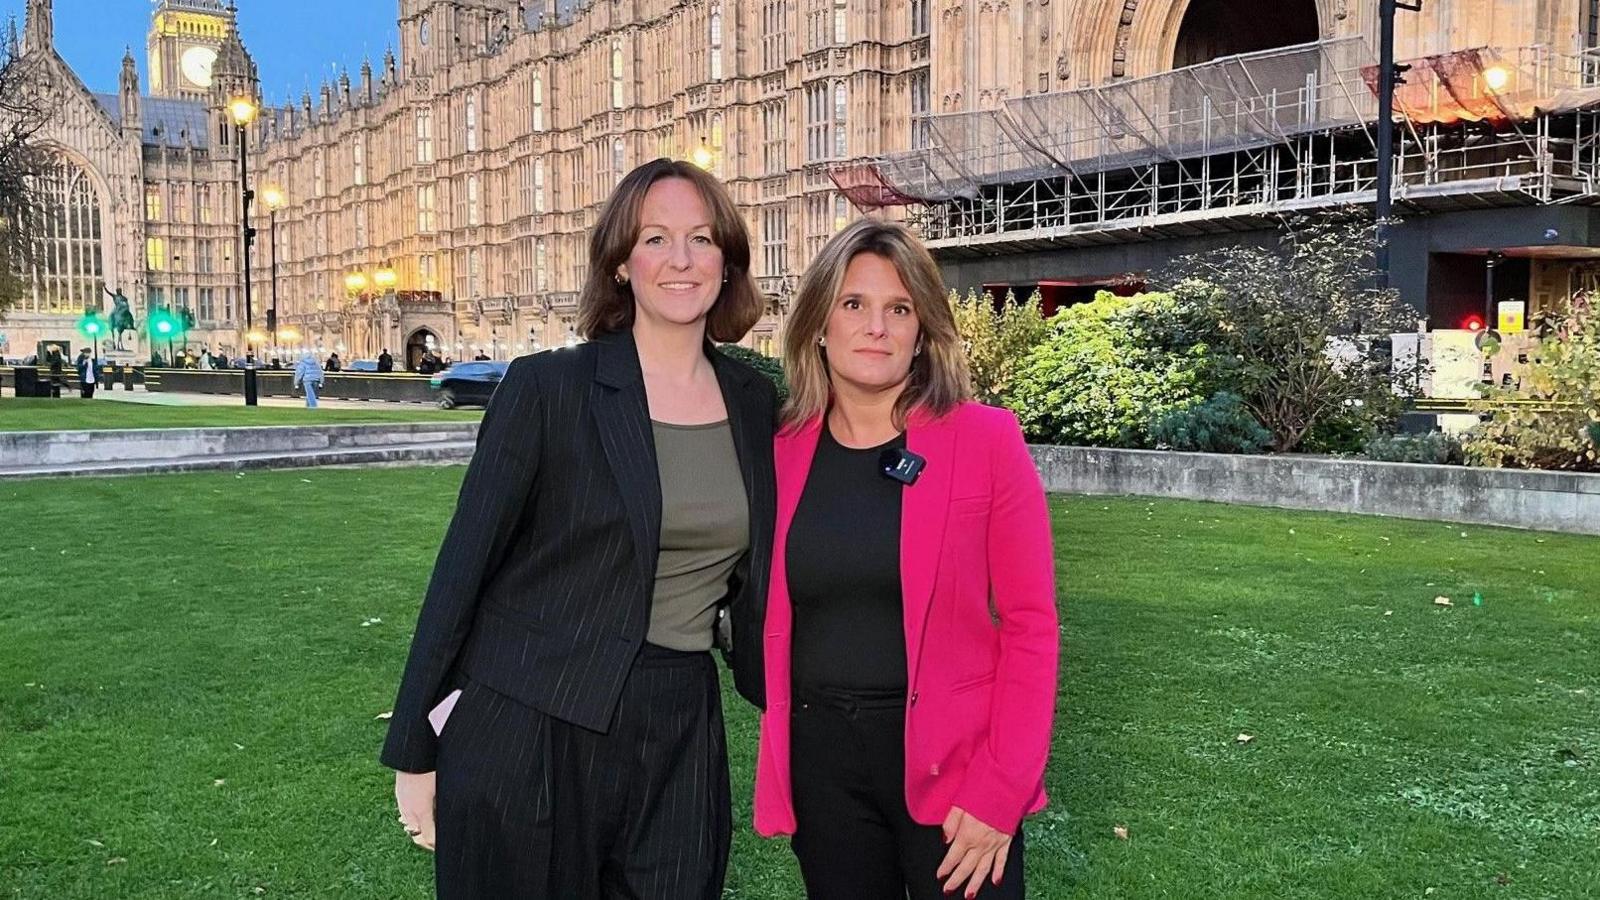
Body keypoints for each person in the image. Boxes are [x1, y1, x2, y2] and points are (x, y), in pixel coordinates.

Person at [383, 158, 777, 899]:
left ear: (728, 259)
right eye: (655, 238)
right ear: (622, 264)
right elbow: (462, 570)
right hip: (532, 720)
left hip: (679, 723)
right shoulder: (548, 390)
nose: (681, 259)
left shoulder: (755, 402)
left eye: (700, 238)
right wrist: (416, 749)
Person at [752, 220, 1059, 900]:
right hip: (823, 769)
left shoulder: (985, 440)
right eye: (853, 304)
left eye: (899, 309)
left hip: (957, 777)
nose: (876, 327)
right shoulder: (777, 450)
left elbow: (1031, 626)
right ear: (818, 325)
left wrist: (1000, 790)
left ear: (922, 330)